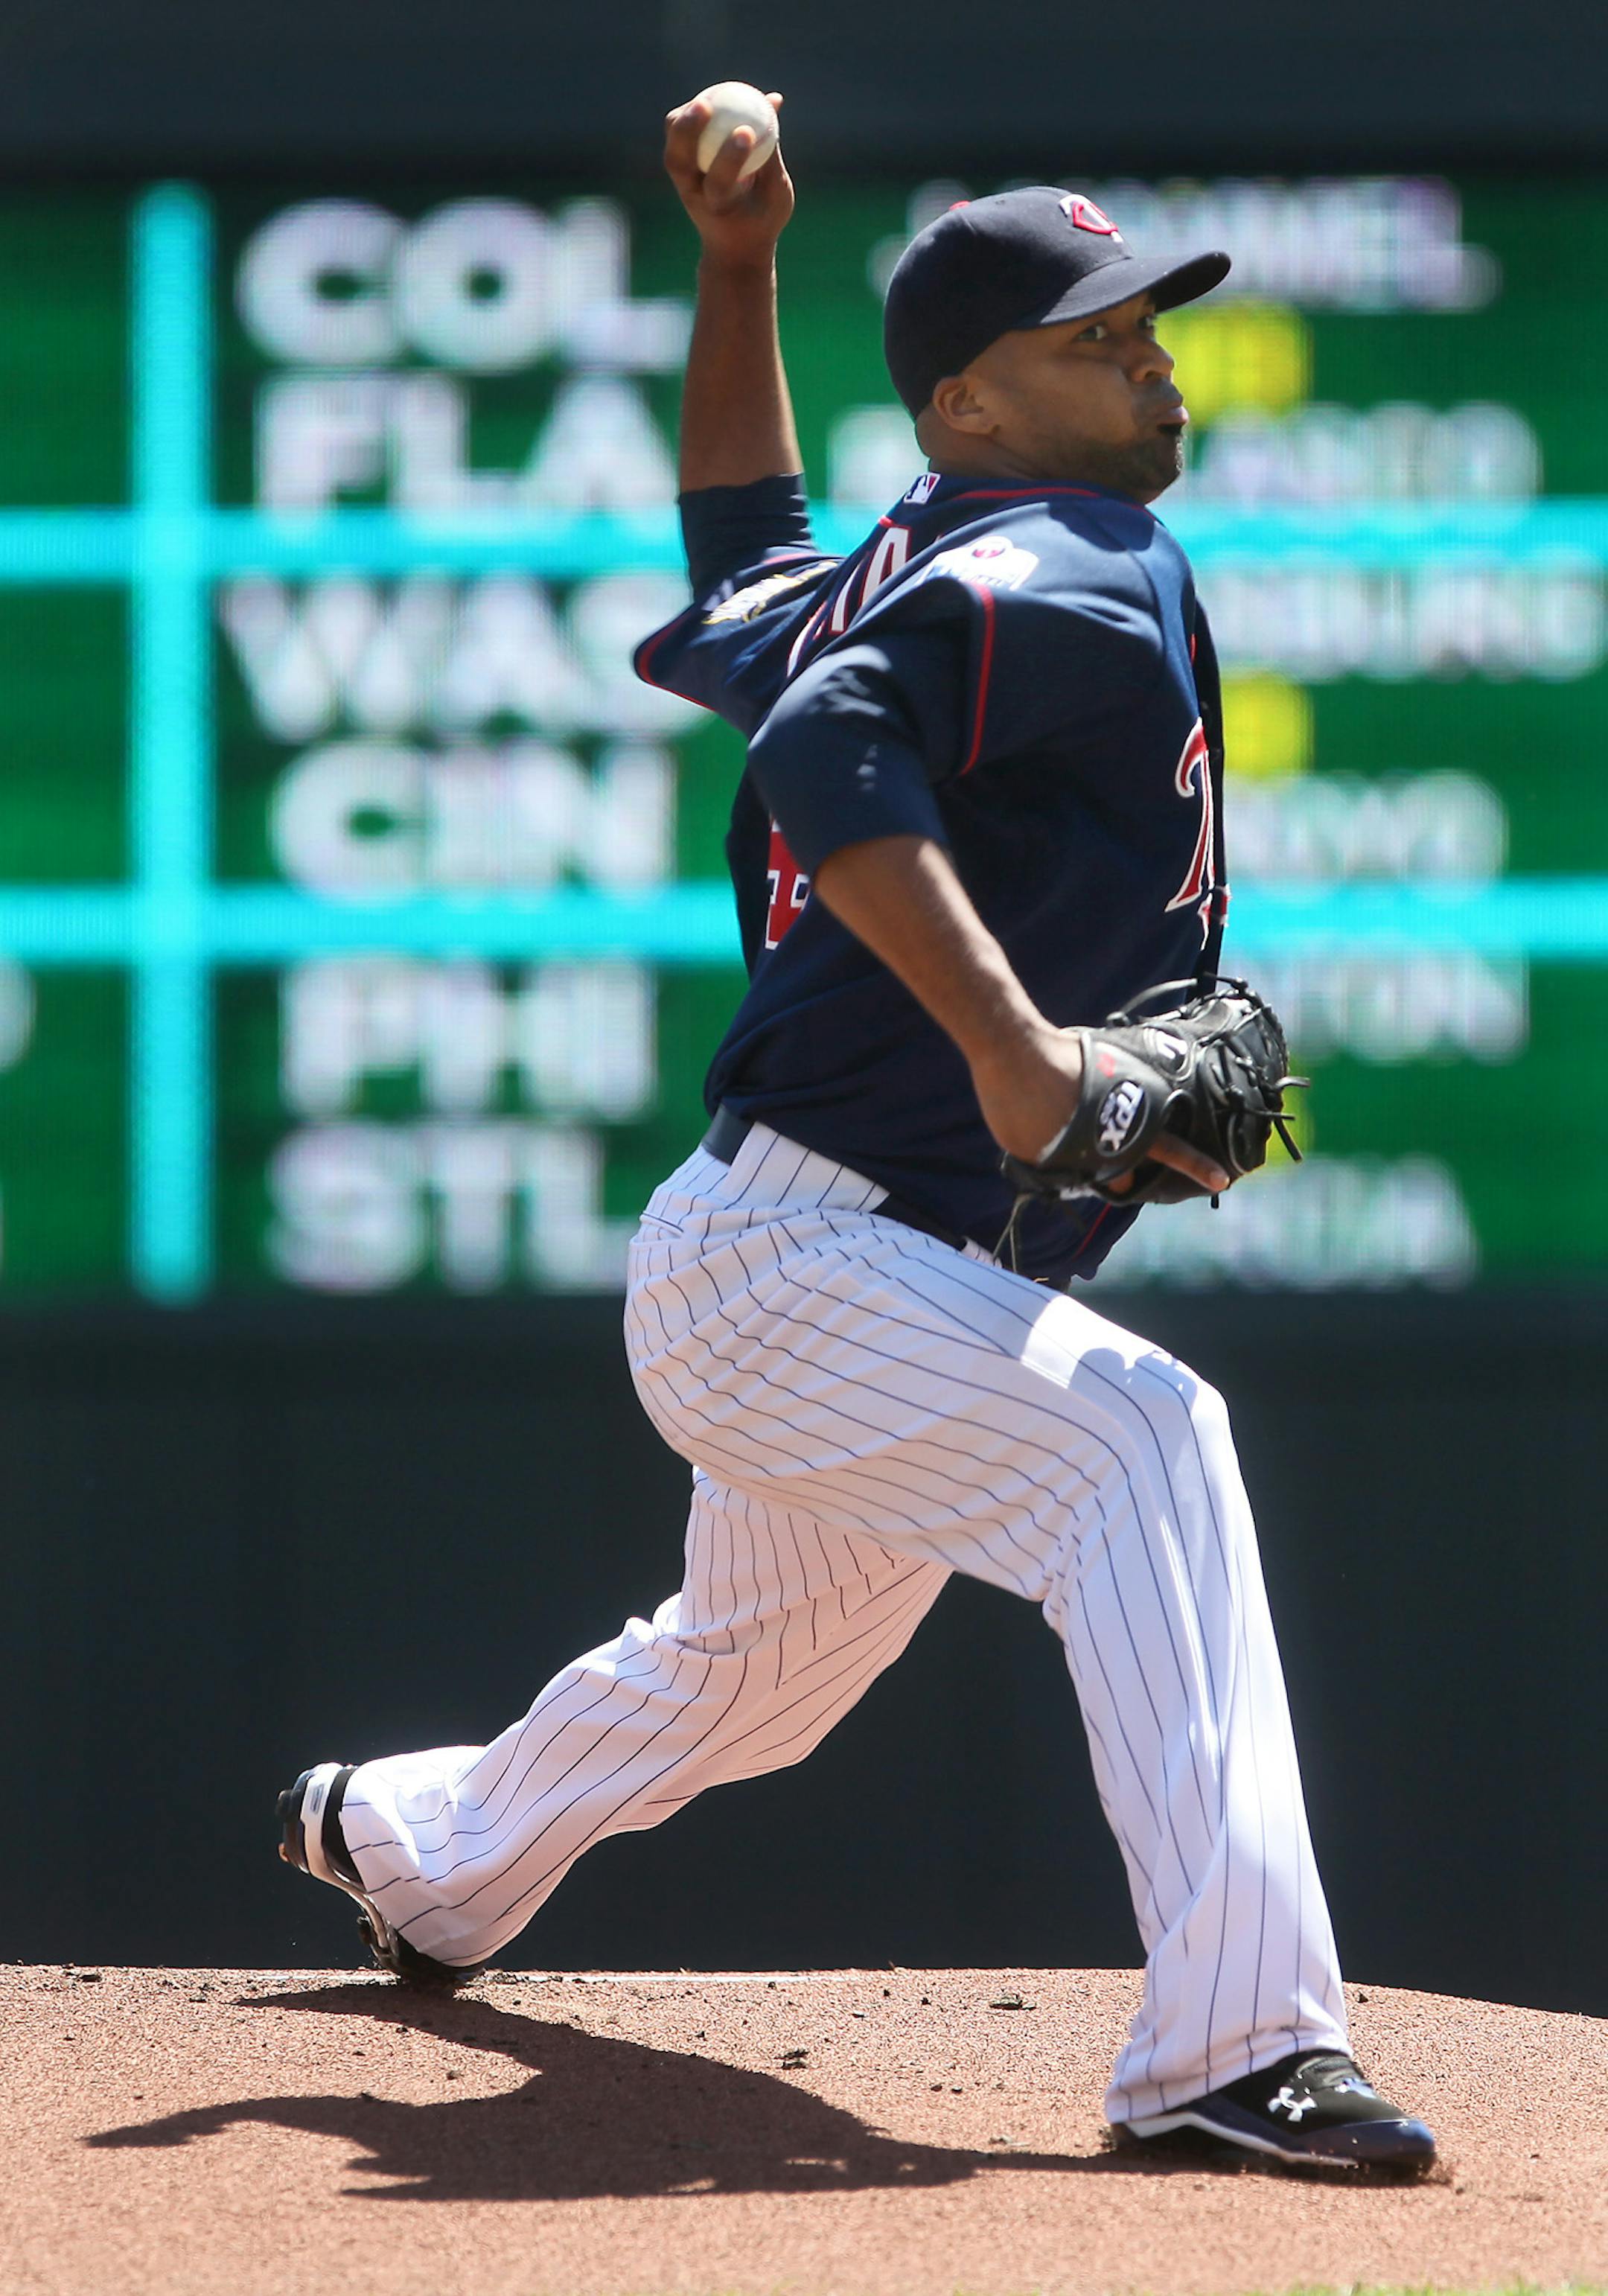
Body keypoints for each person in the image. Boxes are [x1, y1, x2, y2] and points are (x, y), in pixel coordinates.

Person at [278, 94, 1437, 2173]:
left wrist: (737, 273)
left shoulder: (914, 554)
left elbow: (745, 546)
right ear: (976, 396)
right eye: (1104, 337)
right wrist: (1017, 1053)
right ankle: (1232, 2042)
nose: (1154, 354)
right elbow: (825, 740)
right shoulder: (1065, 560)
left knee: (755, 1674)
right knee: (1145, 1446)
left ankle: (414, 1849)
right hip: (806, 1257)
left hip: (831, 1267)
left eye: (1153, 323)